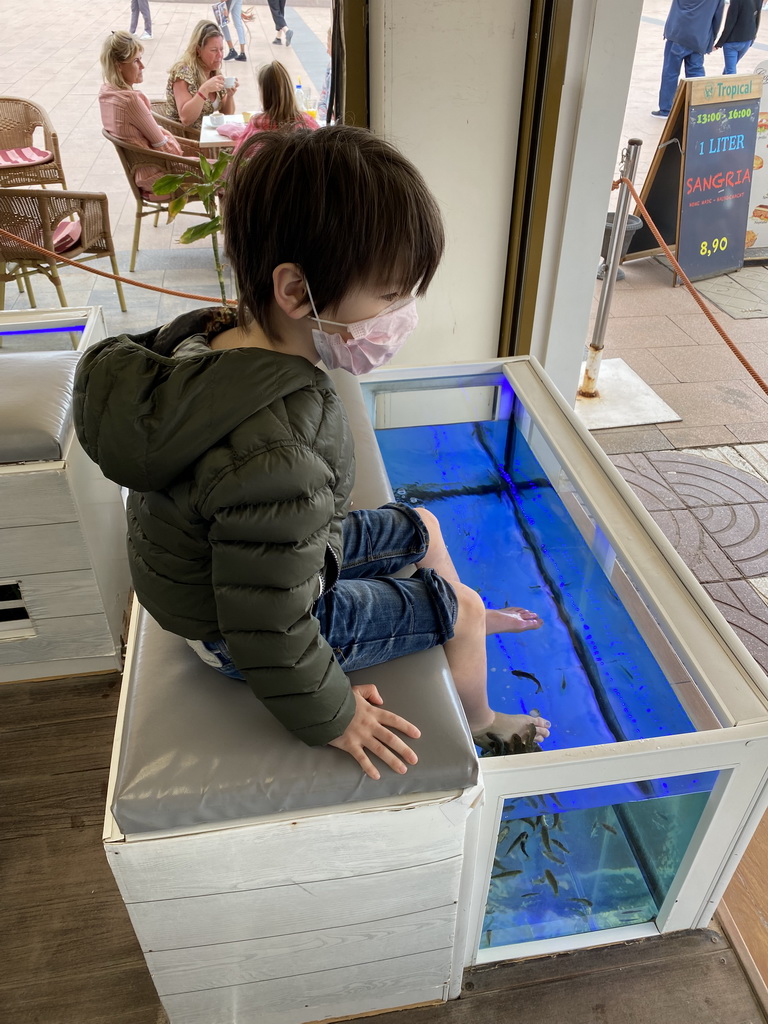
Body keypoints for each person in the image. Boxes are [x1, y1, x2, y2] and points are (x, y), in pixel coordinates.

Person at [73, 127, 550, 780]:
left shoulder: (210, 338)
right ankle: (481, 721)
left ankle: (457, 621)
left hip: (243, 566)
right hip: (233, 634)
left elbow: (270, 545)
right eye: (391, 296)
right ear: (296, 292)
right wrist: (333, 713)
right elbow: (266, 626)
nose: (403, 316)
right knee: (460, 611)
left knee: (424, 525)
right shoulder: (277, 445)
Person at [98, 31, 184, 194]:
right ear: (119, 66)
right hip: (160, 178)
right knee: (228, 173)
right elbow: (165, 149)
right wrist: (179, 146)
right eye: (136, 61)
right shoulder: (130, 101)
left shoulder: (107, 93)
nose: (142, 66)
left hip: (142, 174)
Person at [652, 0, 725, 118]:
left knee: (670, 73)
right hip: (699, 38)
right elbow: (718, 17)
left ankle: (666, 109)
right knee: (696, 73)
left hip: (677, 34)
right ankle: (698, 108)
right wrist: (710, 40)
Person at [165, 20, 238, 131]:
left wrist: (230, 95)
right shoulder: (182, 72)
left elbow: (227, 113)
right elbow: (186, 119)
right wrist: (204, 90)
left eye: (222, 49)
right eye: (214, 50)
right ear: (198, 50)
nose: (220, 55)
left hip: (206, 137)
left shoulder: (214, 70)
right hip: (185, 139)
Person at [233, 61, 317, 155]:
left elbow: (236, 161)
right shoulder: (306, 122)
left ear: (263, 93)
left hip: (264, 169)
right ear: (289, 89)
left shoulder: (257, 124)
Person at [715, 0, 762, 73]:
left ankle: (729, 83)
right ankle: (724, 82)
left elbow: (730, 23)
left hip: (733, 41)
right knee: (730, 68)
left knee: (730, 70)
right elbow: (757, 19)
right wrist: (753, 37)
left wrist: (719, 44)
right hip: (748, 39)